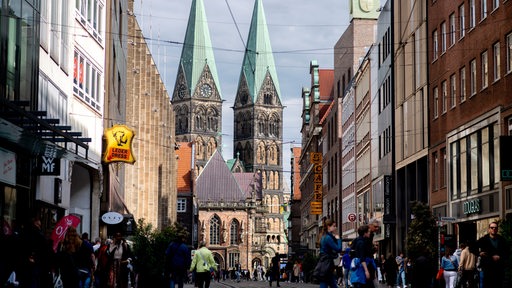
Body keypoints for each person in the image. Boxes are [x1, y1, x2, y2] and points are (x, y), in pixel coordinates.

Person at [477, 221, 509, 288]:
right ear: (489, 229)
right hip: (488, 268)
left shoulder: (502, 240)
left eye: (495, 228)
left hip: (499, 268)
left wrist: (500, 257)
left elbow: (507, 251)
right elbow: (472, 247)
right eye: (492, 228)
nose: (494, 229)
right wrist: (479, 253)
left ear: (497, 229)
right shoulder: (484, 239)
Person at [318, 219, 343, 288]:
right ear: (329, 227)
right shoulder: (328, 238)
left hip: (325, 262)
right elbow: (338, 249)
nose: (335, 228)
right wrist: (338, 239)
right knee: (326, 282)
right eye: (334, 226)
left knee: (329, 282)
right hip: (327, 263)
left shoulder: (324, 236)